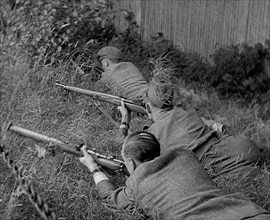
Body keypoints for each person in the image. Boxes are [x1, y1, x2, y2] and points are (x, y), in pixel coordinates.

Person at [79, 131, 269, 220]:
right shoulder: (185, 155)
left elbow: (110, 197)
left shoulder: (137, 181)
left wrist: (93, 167)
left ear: (130, 162)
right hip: (248, 212)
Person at [118, 82, 262, 179]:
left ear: (148, 108)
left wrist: (125, 119)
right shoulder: (187, 110)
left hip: (220, 166)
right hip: (242, 147)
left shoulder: (152, 134)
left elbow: (129, 151)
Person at [96, 46, 224, 132]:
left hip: (142, 101)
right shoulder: (130, 65)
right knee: (180, 112)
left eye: (101, 63)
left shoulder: (106, 74)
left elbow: (98, 91)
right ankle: (216, 126)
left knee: (173, 119)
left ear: (106, 62)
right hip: (155, 93)